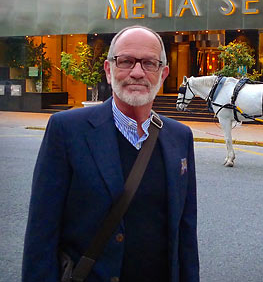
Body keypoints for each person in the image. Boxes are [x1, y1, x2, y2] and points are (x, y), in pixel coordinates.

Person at [22, 26, 199, 282]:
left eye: (149, 63)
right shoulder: (67, 130)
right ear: (108, 70)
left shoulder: (180, 136)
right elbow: (42, 233)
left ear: (163, 74)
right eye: (126, 61)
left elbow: (185, 233)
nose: (137, 72)